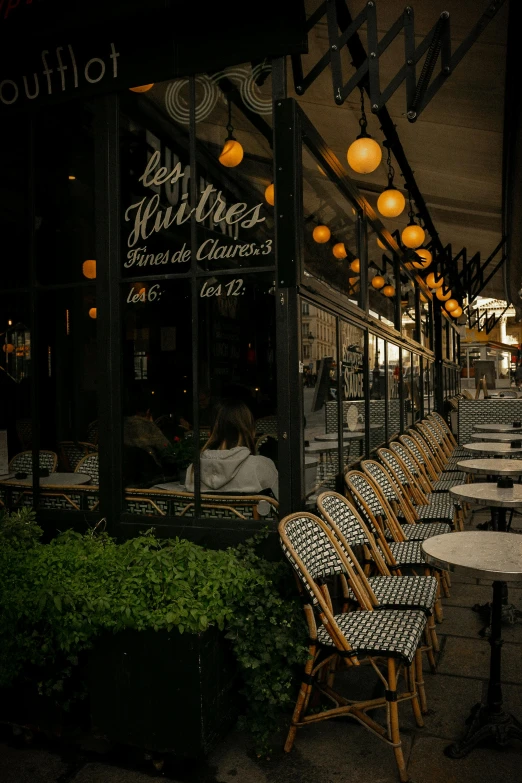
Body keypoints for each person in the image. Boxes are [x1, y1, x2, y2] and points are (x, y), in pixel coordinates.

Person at [184, 399, 278, 498]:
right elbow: (285, 505)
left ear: (213, 431)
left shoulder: (194, 469)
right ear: (251, 431)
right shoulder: (260, 467)